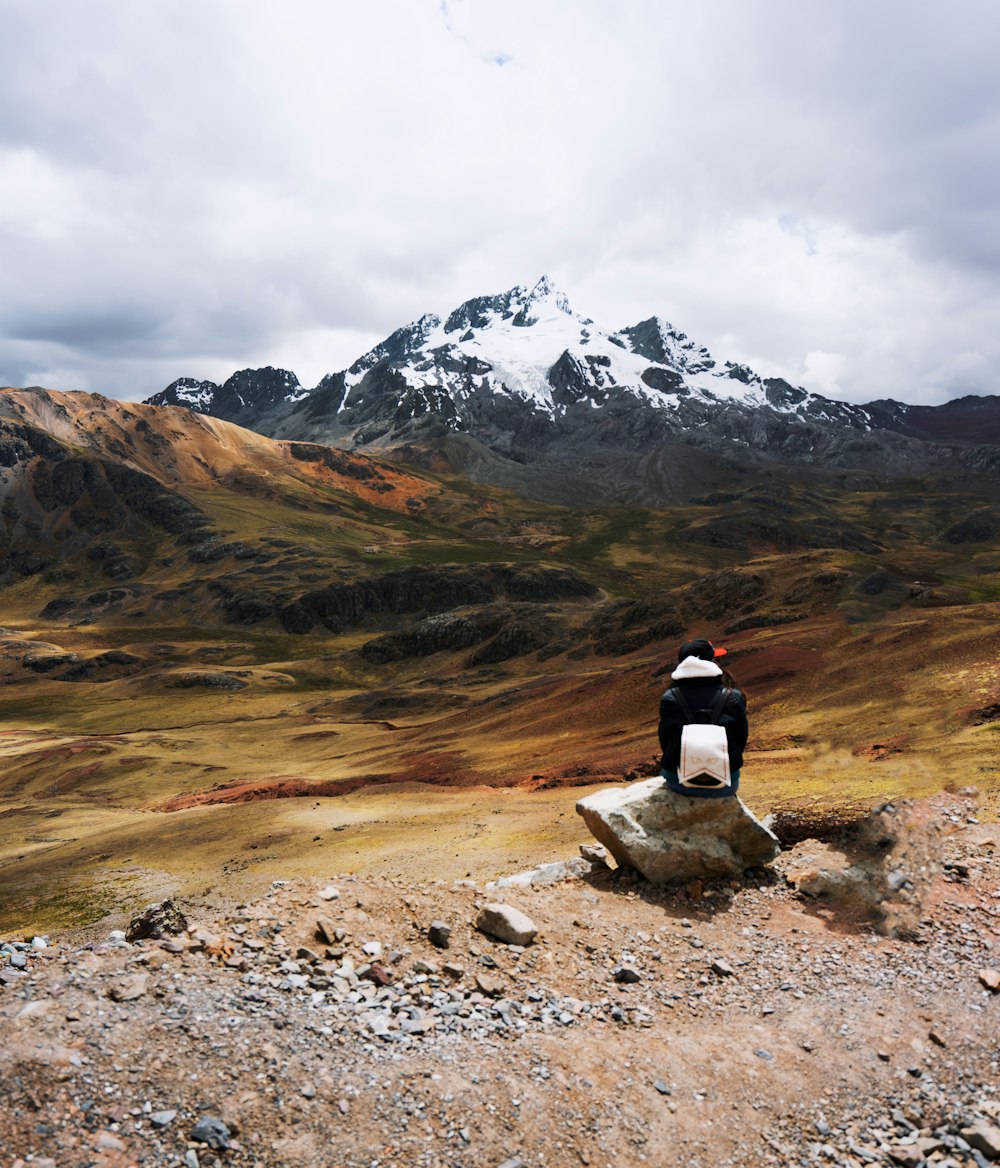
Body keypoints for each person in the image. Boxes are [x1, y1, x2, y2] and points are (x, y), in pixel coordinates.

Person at [658, 637, 748, 798]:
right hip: (725, 783)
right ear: (711, 662)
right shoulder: (733, 697)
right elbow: (741, 738)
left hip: (678, 782)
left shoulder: (670, 698)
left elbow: (665, 740)